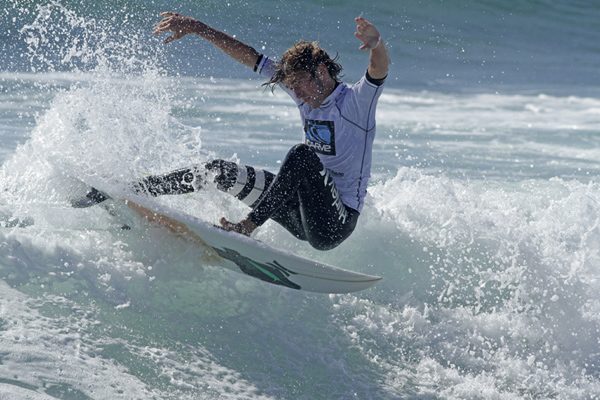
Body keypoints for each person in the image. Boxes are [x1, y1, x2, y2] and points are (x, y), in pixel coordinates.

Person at [76, 12, 389, 251]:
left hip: (334, 224)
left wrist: (377, 45)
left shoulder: (356, 102)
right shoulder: (303, 92)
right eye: (291, 87)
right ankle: (134, 190)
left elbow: (378, 70)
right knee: (220, 172)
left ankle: (246, 227)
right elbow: (251, 57)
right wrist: (199, 28)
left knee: (302, 155)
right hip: (298, 211)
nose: (298, 94)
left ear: (321, 71)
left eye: (300, 85)